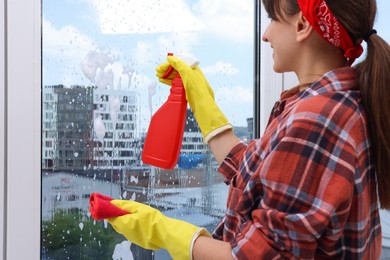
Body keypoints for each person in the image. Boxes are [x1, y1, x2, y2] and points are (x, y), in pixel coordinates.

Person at [105, 0, 390, 259]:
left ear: (302, 25)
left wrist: (162, 231)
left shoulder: (317, 119)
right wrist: (202, 102)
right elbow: (258, 175)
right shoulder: (338, 103)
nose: (265, 35)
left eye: (272, 19)